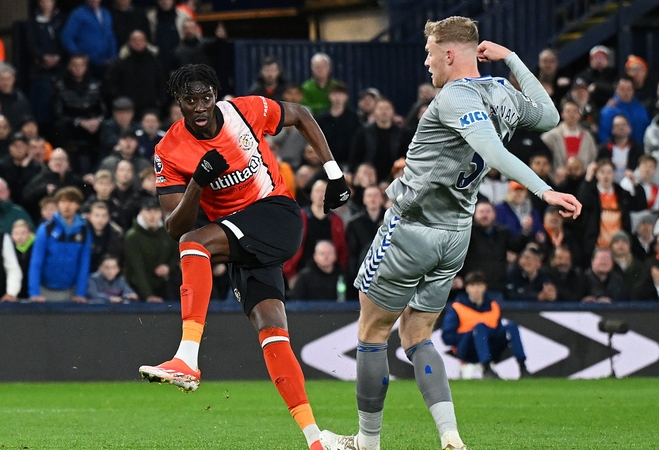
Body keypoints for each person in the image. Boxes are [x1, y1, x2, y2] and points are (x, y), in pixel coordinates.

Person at [318, 18, 581, 450]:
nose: (425, 62)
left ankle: (366, 443)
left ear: (449, 54)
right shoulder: (501, 93)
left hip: (410, 229)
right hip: (456, 235)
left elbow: (493, 151)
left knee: (372, 332)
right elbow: (550, 115)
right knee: (417, 336)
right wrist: (512, 59)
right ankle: (450, 436)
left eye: (429, 52)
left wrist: (545, 190)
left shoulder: (454, 98)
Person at [138, 63, 352, 450]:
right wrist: (198, 185)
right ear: (179, 103)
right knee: (272, 331)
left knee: (196, 244)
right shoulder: (169, 150)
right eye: (190, 100)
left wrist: (334, 173)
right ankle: (315, 439)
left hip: (276, 213)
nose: (200, 106)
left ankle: (187, 357)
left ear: (215, 95)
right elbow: (173, 226)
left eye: (206, 97)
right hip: (244, 240)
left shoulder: (245, 111)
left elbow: (301, 115)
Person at [442, 271, 529, 379]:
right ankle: (486, 368)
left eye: (479, 285)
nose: (476, 289)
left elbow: (498, 329)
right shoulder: (457, 308)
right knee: (480, 327)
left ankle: (522, 366)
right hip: (467, 349)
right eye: (473, 285)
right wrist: (471, 334)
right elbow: (447, 338)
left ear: (484, 287)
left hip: (492, 347)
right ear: (467, 288)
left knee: (511, 326)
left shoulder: (493, 306)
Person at [28, 187, 92, 302]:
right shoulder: (45, 229)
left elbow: (84, 264)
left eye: (71, 202)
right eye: (63, 201)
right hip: (44, 291)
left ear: (78, 205)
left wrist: (80, 293)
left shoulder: (84, 232)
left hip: (71, 292)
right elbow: (36, 262)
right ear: (57, 205)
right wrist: (34, 293)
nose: (67, 206)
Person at [122, 197, 179, 302]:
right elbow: (137, 269)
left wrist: (168, 267)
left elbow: (176, 255)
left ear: (161, 213)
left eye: (156, 211)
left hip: (162, 284)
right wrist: (148, 295)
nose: (152, 216)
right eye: (148, 211)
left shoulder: (167, 233)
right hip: (137, 288)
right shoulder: (133, 237)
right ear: (141, 213)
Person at [61, 0, 117, 79]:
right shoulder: (78, 14)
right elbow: (67, 36)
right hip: (87, 64)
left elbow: (111, 37)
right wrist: (78, 56)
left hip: (105, 63)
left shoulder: (106, 13)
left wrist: (112, 57)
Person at [598, 76, 651, 145]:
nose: (625, 92)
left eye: (629, 89)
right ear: (616, 90)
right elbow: (603, 136)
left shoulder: (642, 111)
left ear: (633, 90)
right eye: (622, 89)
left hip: (638, 151)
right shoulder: (607, 112)